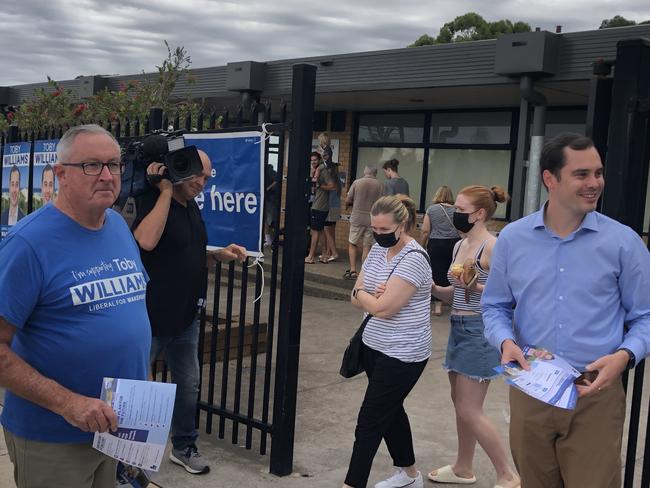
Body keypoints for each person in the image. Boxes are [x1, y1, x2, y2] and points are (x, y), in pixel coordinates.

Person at [482, 133, 650, 488]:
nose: (595, 184)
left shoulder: (623, 242)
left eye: (598, 173)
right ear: (549, 179)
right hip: (531, 388)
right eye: (582, 174)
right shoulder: (513, 239)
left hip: (595, 392)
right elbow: (495, 305)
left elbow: (645, 316)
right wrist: (504, 342)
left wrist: (625, 356)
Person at [0, 124, 151, 488]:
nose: (106, 175)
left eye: (114, 164)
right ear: (60, 175)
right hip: (54, 435)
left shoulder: (116, 225)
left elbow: (129, 314)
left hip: (119, 426)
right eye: (91, 165)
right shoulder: (28, 244)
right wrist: (68, 403)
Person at [132, 149, 247, 475]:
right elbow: (146, 242)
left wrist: (219, 255)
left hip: (185, 318)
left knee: (189, 386)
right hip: (150, 317)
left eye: (207, 178)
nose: (202, 182)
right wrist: (166, 191)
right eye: (198, 174)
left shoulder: (192, 208)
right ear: (179, 170)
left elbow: (189, 253)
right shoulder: (153, 202)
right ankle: (132, 456)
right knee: (139, 387)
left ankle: (183, 446)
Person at [429, 184, 519, 488]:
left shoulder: (492, 247)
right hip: (458, 325)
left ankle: (507, 474)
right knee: (460, 404)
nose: (456, 214)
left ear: (480, 214)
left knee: (470, 408)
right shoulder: (459, 245)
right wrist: (431, 287)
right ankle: (463, 467)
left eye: (461, 211)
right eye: (456, 209)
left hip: (481, 330)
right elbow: (453, 292)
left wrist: (472, 286)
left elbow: (508, 295)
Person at [343, 195, 432, 488]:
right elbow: (355, 292)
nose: (378, 236)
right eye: (374, 230)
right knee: (391, 409)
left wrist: (370, 297)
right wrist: (370, 296)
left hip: (403, 353)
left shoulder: (414, 259)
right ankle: (409, 474)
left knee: (369, 421)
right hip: (373, 345)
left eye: (384, 230)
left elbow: (383, 308)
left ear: (402, 224)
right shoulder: (379, 253)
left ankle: (352, 483)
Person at [420, 185, 460, 315]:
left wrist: (422, 245)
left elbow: (425, 230)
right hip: (454, 243)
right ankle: (454, 302)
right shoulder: (457, 210)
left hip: (436, 244)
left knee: (437, 273)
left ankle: (438, 307)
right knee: (452, 272)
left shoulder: (431, 209)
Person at [343, 165, 384, 280]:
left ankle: (353, 270)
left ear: (365, 171)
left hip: (357, 217)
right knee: (367, 246)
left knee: (352, 243)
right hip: (372, 219)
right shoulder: (380, 185)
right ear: (375, 173)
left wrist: (347, 207)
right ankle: (364, 271)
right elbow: (382, 203)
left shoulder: (357, 182)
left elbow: (348, 199)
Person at [305, 151, 335, 264]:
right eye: (311, 160)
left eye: (315, 160)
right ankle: (324, 255)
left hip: (319, 205)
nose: (313, 162)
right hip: (315, 203)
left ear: (320, 160)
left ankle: (311, 256)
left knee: (315, 231)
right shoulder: (316, 171)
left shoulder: (323, 171)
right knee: (320, 230)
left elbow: (332, 186)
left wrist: (319, 185)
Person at [322, 146, 341, 262]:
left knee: (326, 229)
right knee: (331, 229)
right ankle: (329, 252)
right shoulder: (338, 180)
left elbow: (330, 187)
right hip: (335, 205)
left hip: (329, 205)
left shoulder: (332, 180)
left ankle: (333, 252)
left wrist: (320, 186)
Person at [263, 162, 279, 247]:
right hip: (267, 197)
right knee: (265, 219)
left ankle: (270, 239)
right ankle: (268, 239)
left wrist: (267, 189)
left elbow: (277, 180)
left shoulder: (268, 170)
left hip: (270, 198)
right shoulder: (265, 169)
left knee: (269, 219)